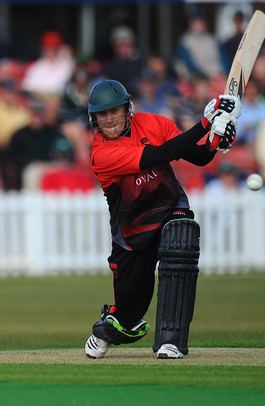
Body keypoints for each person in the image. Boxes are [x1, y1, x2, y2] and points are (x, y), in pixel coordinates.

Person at [83, 79, 240, 359]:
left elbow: (196, 156)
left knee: (179, 255)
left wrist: (215, 142)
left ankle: (172, 342)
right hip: (133, 231)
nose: (108, 119)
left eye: (114, 111)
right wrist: (205, 123)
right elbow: (159, 155)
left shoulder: (155, 123)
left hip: (171, 207)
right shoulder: (101, 154)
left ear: (127, 109)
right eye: (102, 114)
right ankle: (107, 328)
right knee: (128, 320)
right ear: (93, 118)